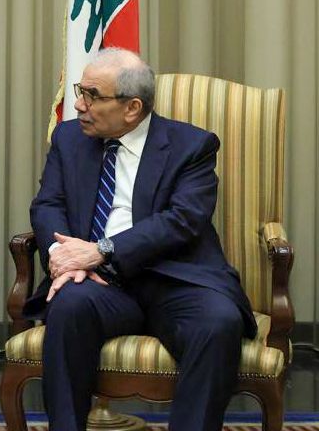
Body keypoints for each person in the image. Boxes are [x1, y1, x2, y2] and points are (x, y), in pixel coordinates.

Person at [25, 48, 256, 431]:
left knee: (219, 322)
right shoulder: (68, 138)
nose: (79, 105)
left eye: (92, 96)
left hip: (176, 279)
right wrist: (61, 254)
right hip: (99, 284)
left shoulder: (192, 146)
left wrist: (101, 251)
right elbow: (48, 204)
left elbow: (183, 221)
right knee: (68, 306)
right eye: (81, 91)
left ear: (132, 108)